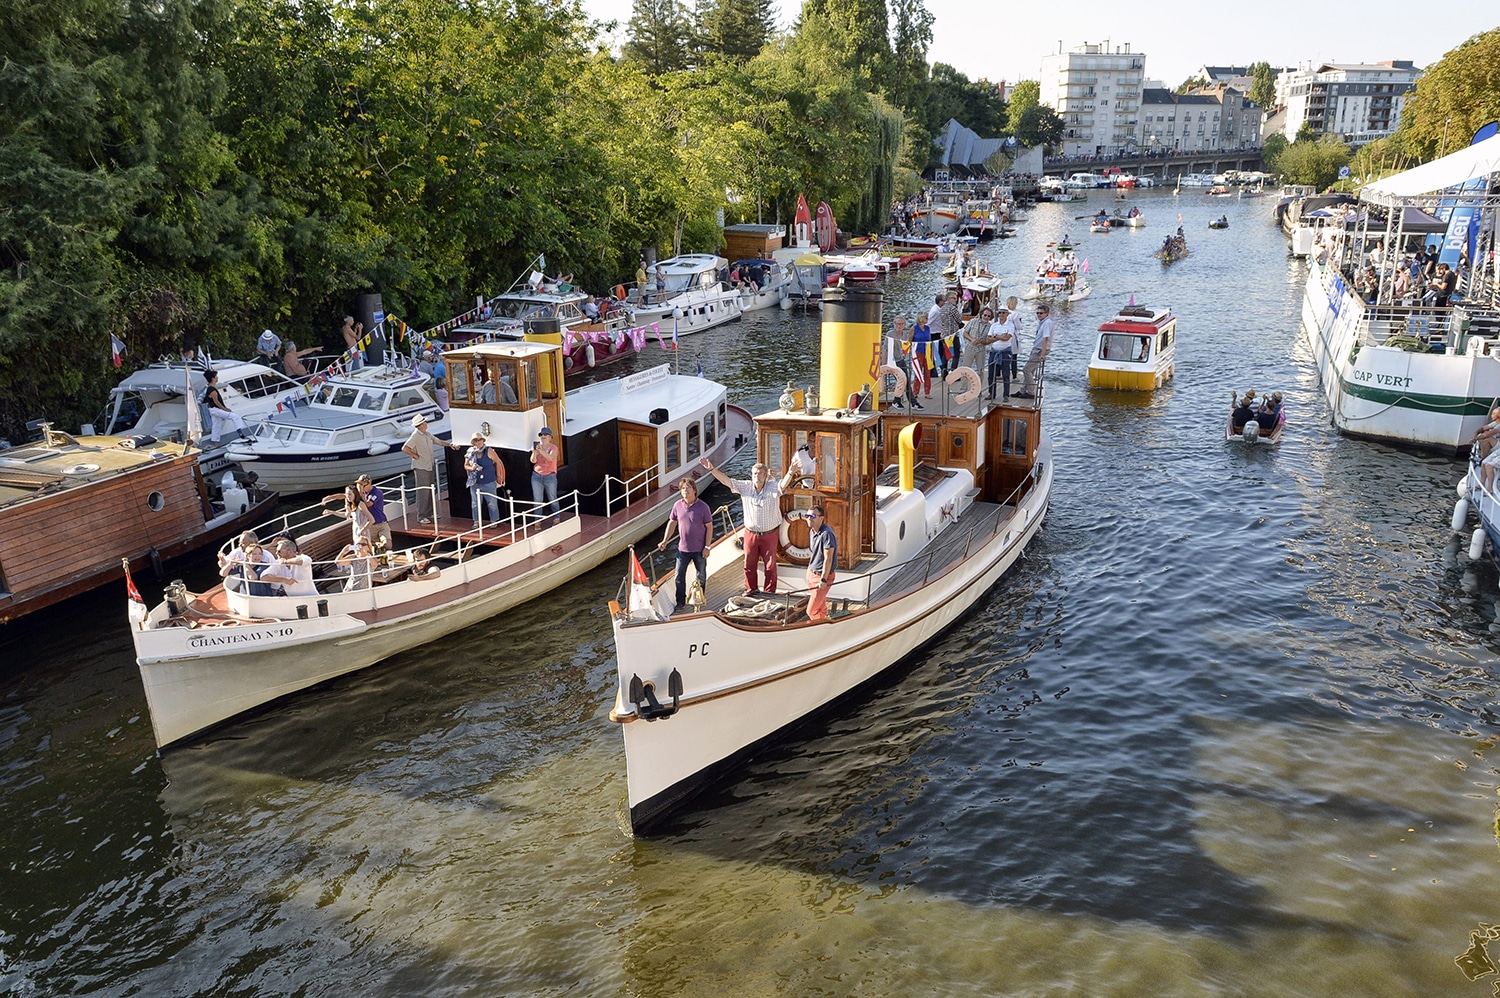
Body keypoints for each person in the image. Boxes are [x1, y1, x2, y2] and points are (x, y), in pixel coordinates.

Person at [700, 456, 797, 595]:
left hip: (769, 534)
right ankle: (751, 589)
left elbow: (783, 485)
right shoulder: (745, 487)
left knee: (770, 565)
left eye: (760, 474)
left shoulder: (772, 487)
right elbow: (725, 481)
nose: (757, 476)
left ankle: (770, 591)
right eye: (754, 474)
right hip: (750, 533)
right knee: (749, 564)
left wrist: (790, 472)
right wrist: (712, 469)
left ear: (765, 475)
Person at [656, 478, 714, 613]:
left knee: (701, 575)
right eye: (683, 488)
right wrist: (665, 540)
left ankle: (699, 598)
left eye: (688, 487)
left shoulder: (703, 507)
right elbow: (672, 523)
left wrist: (707, 546)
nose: (685, 490)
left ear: (694, 490)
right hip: (683, 549)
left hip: (700, 549)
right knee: (679, 576)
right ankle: (680, 602)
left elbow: (709, 527)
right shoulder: (677, 505)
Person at [402, 413, 440, 524]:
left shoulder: (426, 434)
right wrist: (415, 456)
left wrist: (450, 444)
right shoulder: (415, 436)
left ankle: (429, 513)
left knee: (430, 489)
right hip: (421, 467)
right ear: (421, 425)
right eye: (425, 422)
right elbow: (405, 448)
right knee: (423, 491)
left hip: (428, 466)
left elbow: (438, 441)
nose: (426, 423)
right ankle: (422, 516)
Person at [804, 504, 838, 622]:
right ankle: (824, 621)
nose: (809, 519)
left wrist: (823, 579)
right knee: (821, 606)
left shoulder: (827, 534)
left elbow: (828, 559)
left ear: (821, 518)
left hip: (822, 577)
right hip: (812, 573)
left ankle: (821, 627)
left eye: (812, 516)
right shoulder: (812, 531)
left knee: (811, 611)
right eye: (807, 516)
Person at [1014, 304, 1053, 399]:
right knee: (1030, 370)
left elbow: (1046, 339)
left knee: (1026, 369)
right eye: (1038, 313)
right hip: (1036, 348)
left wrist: (1043, 354)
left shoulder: (1047, 323)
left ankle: (1031, 392)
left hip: (1039, 350)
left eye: (1041, 313)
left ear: (1046, 314)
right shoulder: (1042, 322)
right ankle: (1023, 390)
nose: (1039, 315)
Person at [465, 432, 503, 524]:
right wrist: (472, 468)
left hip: (489, 482)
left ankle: (494, 521)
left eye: (480, 440)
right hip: (475, 482)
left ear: (483, 441)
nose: (478, 442)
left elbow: (497, 462)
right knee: (475, 504)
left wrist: (498, 475)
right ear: (473, 442)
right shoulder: (470, 452)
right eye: (476, 440)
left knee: (492, 503)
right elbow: (466, 465)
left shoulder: (489, 451)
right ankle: (476, 521)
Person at [202, 369, 245, 443]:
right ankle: (240, 432)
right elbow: (216, 401)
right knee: (234, 416)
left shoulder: (210, 388)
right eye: (216, 376)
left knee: (216, 426)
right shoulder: (212, 389)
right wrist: (225, 409)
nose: (217, 378)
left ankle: (216, 442)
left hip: (212, 410)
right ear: (213, 378)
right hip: (216, 409)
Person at [986, 304, 1017, 400]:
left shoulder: (1010, 325)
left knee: (1006, 374)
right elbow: (988, 338)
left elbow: (1007, 338)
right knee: (991, 374)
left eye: (1003, 312)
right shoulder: (994, 325)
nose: (1001, 314)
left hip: (1005, 352)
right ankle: (992, 393)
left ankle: (1006, 395)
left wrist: (995, 336)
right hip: (994, 352)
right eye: (1000, 313)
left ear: (1007, 314)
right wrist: (1000, 336)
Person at [531, 427, 560, 522]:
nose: (543, 436)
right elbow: (533, 461)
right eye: (541, 435)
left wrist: (541, 451)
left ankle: (556, 518)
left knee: (552, 498)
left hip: (550, 476)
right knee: (537, 499)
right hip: (536, 476)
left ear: (550, 437)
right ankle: (537, 520)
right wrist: (534, 453)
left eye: (545, 435)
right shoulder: (538, 447)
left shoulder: (553, 448)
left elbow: (551, 458)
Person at [357, 473, 391, 552]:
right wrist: (331, 497)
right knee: (369, 547)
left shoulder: (377, 492)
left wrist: (361, 494)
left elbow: (369, 504)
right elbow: (348, 495)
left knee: (387, 545)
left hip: (381, 523)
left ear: (369, 484)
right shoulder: (361, 493)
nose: (361, 487)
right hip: (369, 526)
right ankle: (378, 548)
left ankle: (380, 548)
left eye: (363, 485)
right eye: (360, 485)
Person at [911, 311, 935, 399]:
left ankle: (927, 392)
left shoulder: (928, 328)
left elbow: (930, 339)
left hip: (928, 351)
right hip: (918, 351)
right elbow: (910, 340)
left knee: (928, 373)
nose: (927, 319)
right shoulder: (914, 328)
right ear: (921, 318)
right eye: (926, 318)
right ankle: (915, 391)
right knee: (918, 372)